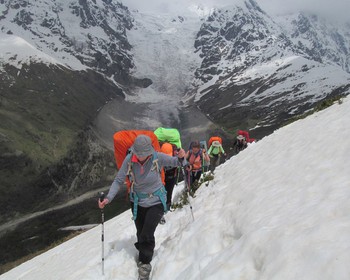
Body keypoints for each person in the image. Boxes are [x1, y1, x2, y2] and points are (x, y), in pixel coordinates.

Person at [98, 135, 186, 280]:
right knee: (140, 232)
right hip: (137, 202)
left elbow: (177, 162)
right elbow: (119, 179)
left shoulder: (157, 157)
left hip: (157, 201)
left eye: (143, 155)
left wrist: (182, 158)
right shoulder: (129, 159)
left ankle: (145, 263)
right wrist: (108, 198)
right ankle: (144, 249)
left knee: (146, 233)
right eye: (138, 154)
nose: (140, 157)